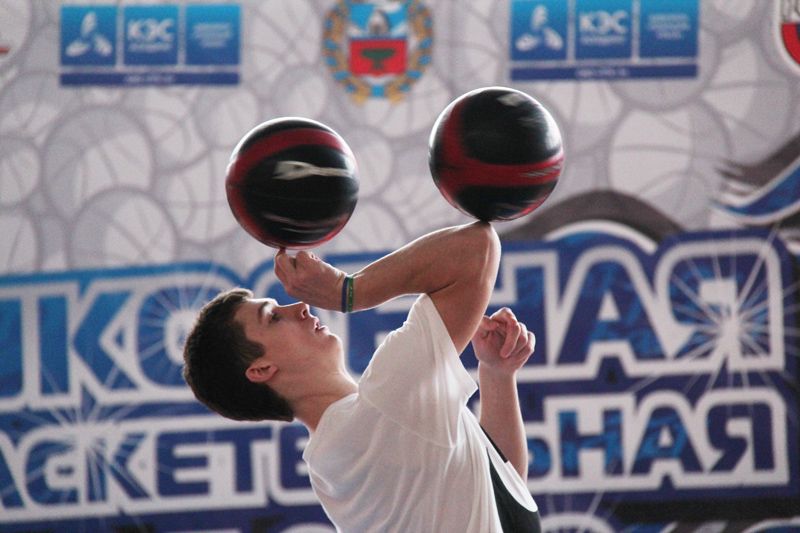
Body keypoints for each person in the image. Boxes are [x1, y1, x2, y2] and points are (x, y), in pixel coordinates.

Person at [183, 221, 541, 532]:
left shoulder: (330, 464)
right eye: (274, 317)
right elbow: (476, 247)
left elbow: (504, 496)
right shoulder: (385, 406)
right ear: (261, 370)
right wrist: (348, 290)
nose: (300, 307)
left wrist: (496, 374)